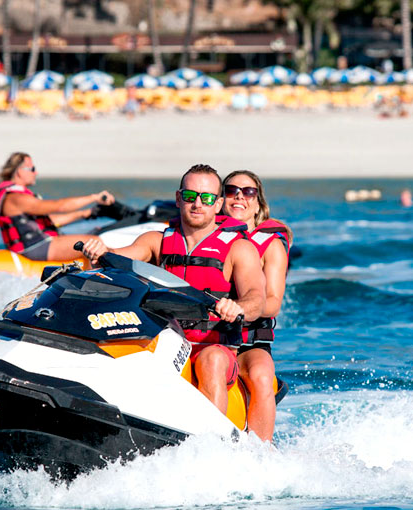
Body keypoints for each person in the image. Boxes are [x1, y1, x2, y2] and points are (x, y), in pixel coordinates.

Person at [82, 164, 265, 424]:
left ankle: (209, 444)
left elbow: (257, 300)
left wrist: (238, 307)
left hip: (212, 347)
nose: (197, 204)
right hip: (165, 340)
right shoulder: (156, 241)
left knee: (211, 360)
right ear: (179, 199)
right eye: (190, 196)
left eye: (207, 198)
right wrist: (99, 252)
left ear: (218, 204)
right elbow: (113, 260)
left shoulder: (240, 249)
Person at [221, 169, 293, 442]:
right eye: (230, 190)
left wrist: (240, 307)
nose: (239, 196)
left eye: (248, 192)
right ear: (219, 200)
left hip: (248, 341)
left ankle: (263, 453)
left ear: (258, 204)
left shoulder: (270, 246)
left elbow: (273, 303)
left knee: (262, 374)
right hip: (202, 334)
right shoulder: (204, 239)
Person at [0, 152, 115, 261]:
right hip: (34, 247)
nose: (36, 172)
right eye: (32, 169)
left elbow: (51, 221)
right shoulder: (16, 198)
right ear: (19, 172)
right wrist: (95, 198)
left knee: (96, 236)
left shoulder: (15, 196)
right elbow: (60, 206)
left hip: (37, 244)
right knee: (95, 242)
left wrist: (85, 213)